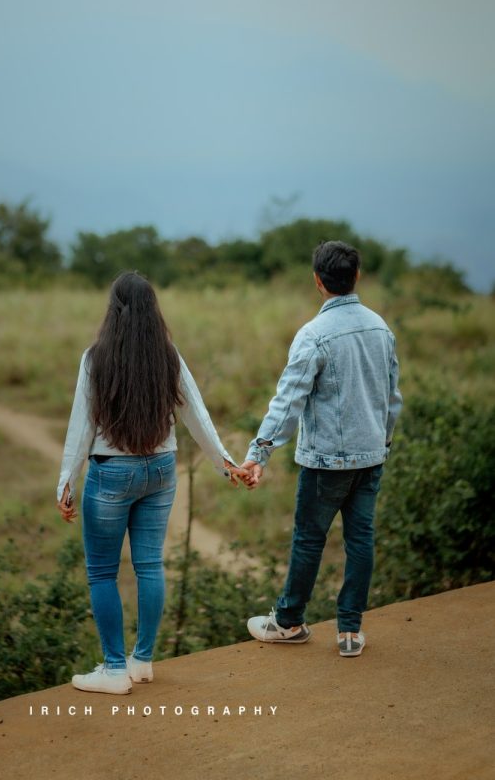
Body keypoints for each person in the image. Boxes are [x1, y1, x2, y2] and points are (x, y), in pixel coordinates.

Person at [56, 270, 248, 694]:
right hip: (161, 470)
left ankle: (113, 669)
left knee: (103, 572)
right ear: (151, 310)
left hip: (111, 474)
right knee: (149, 566)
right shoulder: (169, 355)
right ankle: (141, 661)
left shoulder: (95, 358)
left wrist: (66, 483)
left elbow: (80, 426)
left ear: (114, 310)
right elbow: (196, 415)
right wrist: (226, 463)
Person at [239, 240, 403, 657]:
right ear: (357, 277)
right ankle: (350, 631)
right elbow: (392, 398)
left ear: (318, 282)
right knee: (360, 540)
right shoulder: (380, 328)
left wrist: (258, 453)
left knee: (309, 540)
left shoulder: (313, 336)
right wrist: (381, 442)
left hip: (326, 461)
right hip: (372, 456)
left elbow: (288, 400)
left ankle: (289, 621)